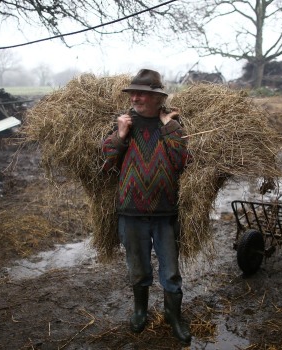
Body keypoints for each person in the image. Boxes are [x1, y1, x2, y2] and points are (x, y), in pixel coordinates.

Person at [101, 69, 192, 345]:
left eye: (142, 93)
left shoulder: (173, 125)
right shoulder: (125, 123)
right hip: (131, 212)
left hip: (166, 212)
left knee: (171, 272)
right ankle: (140, 311)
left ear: (156, 97)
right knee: (138, 269)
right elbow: (105, 162)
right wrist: (120, 134)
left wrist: (170, 127)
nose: (135, 98)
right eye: (132, 93)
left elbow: (182, 162)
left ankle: (173, 316)